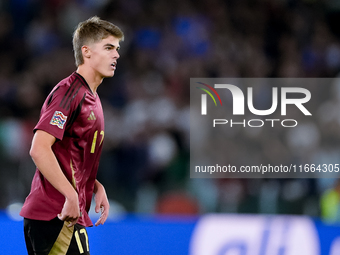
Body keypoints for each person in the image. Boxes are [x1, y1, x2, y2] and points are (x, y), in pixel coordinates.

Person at [20, 16, 124, 254]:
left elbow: (68, 154)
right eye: (108, 48)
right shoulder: (70, 92)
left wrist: (94, 185)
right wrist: (71, 194)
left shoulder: (92, 97)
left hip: (64, 213)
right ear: (86, 52)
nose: (116, 55)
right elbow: (39, 148)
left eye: (117, 49)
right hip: (55, 214)